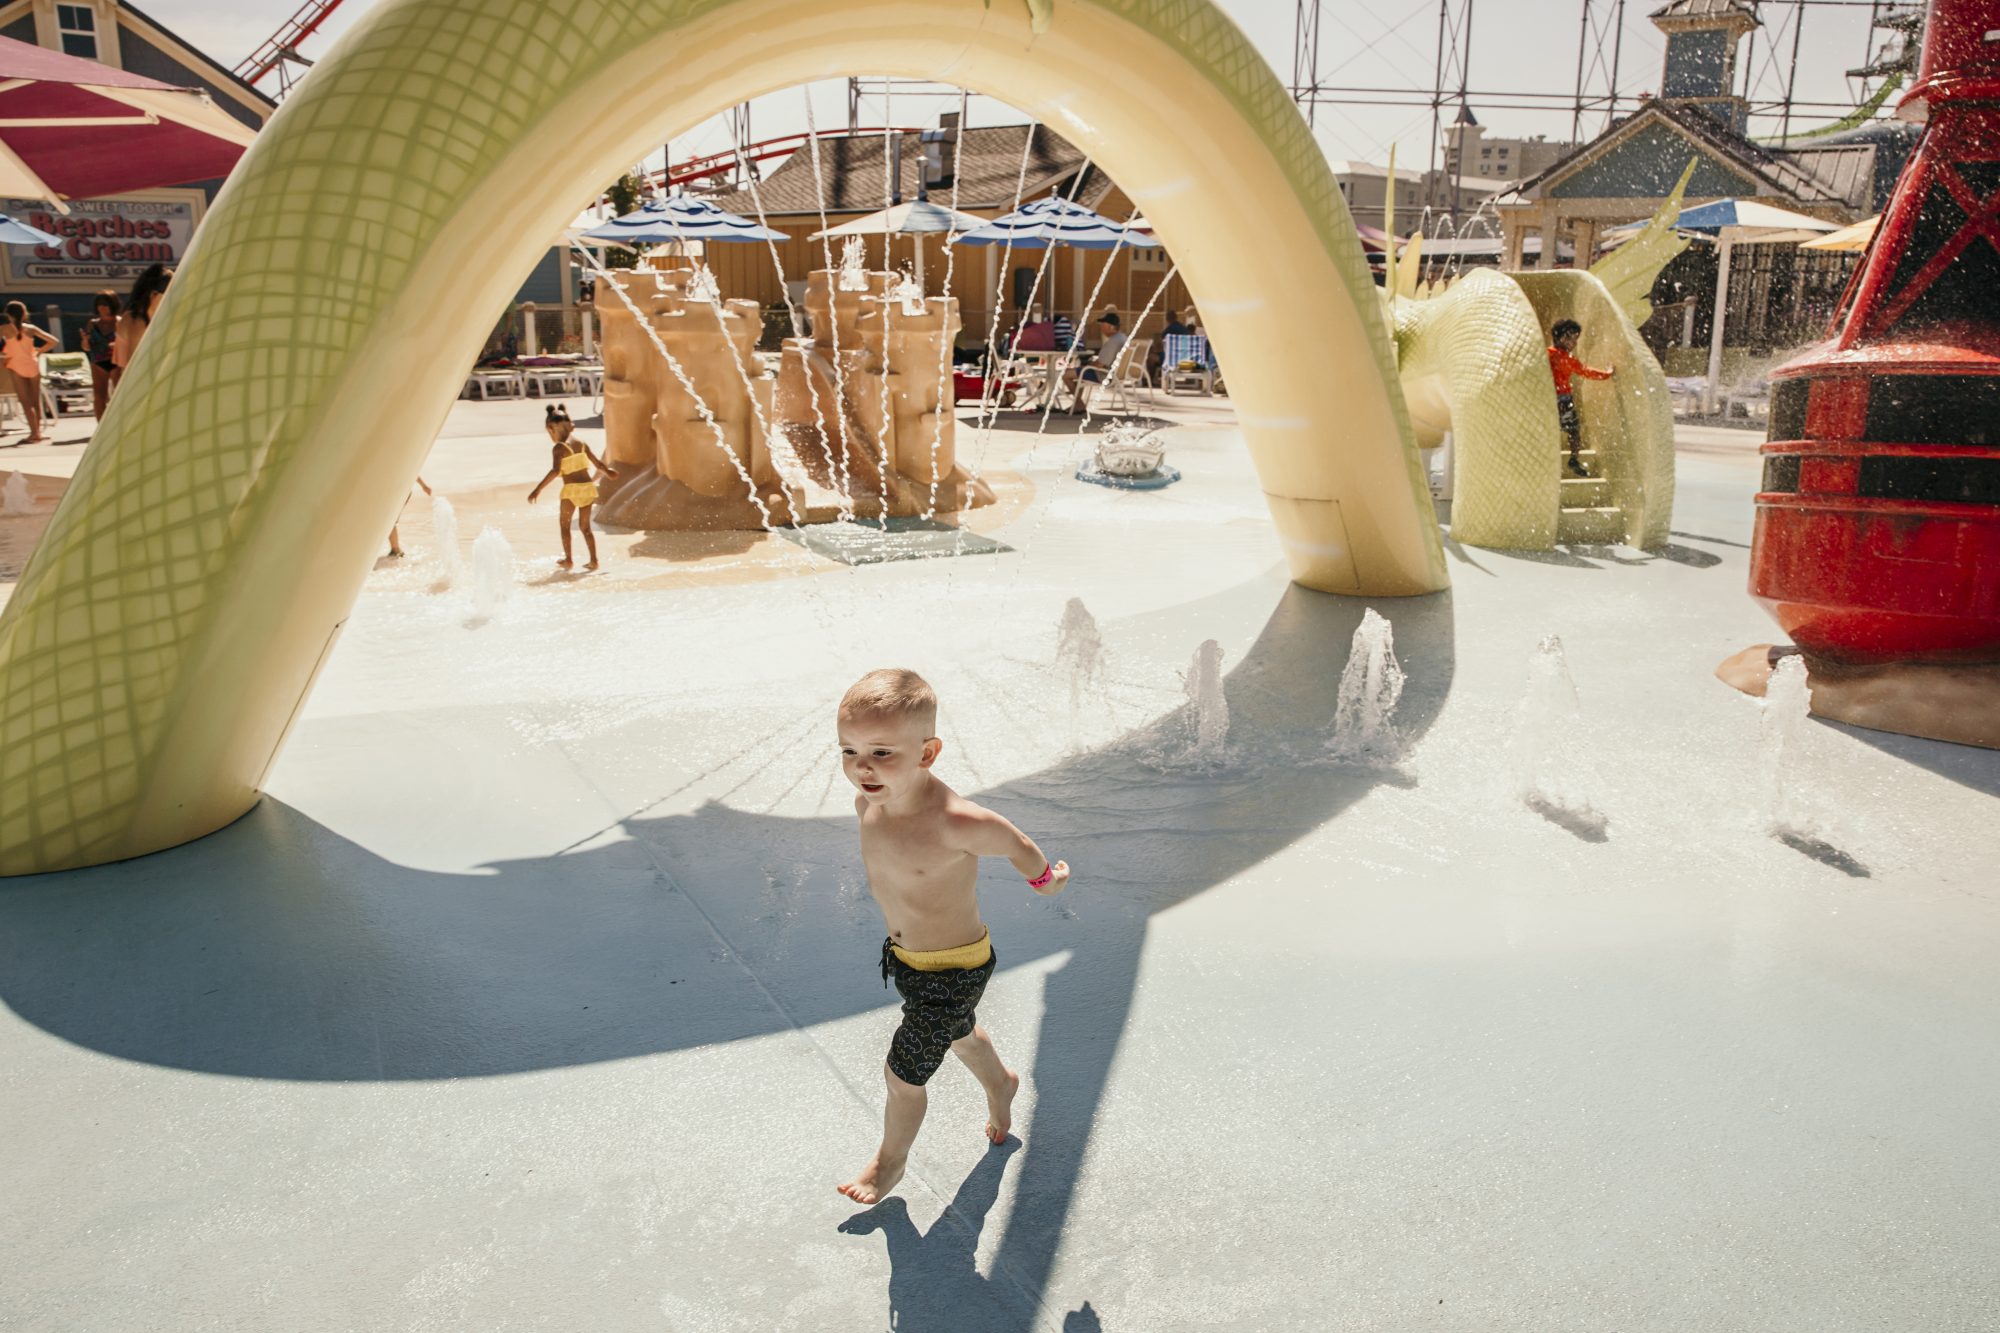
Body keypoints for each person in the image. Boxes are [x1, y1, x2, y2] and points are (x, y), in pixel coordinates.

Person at [835, 669, 1070, 1206]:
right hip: (907, 962)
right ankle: (1003, 1085)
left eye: (881, 752)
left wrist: (1046, 882)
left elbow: (1017, 843)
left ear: (928, 752)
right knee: (959, 1033)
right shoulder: (868, 804)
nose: (862, 766)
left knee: (903, 1073)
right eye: (848, 751)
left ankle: (889, 1163)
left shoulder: (956, 821)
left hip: (954, 969)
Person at [527, 402, 617, 570]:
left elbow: (555, 471)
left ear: (551, 429)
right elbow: (598, 464)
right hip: (588, 489)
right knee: (586, 527)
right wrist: (609, 473)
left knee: (565, 526)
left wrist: (537, 489)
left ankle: (568, 559)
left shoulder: (559, 448)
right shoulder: (582, 444)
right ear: (570, 426)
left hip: (571, 490)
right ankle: (594, 560)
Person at [1547, 318, 1614, 477]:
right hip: (1561, 399)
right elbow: (1586, 371)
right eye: (1573, 339)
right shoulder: (1558, 357)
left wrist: (1605, 374)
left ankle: (1567, 460)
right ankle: (1573, 459)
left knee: (1567, 430)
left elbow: (1585, 371)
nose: (1575, 343)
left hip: (1554, 399)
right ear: (1563, 338)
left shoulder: (1552, 355)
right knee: (1572, 431)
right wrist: (1606, 374)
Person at [2, 301, 60, 444]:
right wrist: (39, 351)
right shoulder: (31, 328)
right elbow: (54, 341)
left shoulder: (3, 329)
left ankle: (34, 433)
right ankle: (38, 432)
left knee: (25, 402)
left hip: (16, 366)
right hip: (32, 365)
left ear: (8, 315)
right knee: (35, 401)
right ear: (24, 314)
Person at [1061, 311, 1127, 413]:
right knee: (1079, 374)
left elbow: (1100, 365)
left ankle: (1079, 404)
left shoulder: (1112, 342)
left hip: (1103, 375)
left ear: (1111, 327)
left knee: (1065, 374)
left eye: (1103, 325)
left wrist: (1087, 365)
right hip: (1114, 374)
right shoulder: (1122, 338)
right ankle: (1078, 405)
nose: (1101, 328)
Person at [114, 263, 173, 377]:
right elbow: (134, 367)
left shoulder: (136, 318)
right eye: (169, 293)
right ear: (154, 295)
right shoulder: (137, 321)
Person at [84, 291, 120, 420]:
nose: (102, 308)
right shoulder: (93, 324)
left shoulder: (120, 323)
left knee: (119, 395)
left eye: (105, 304)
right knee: (99, 396)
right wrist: (85, 340)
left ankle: (120, 423)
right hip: (98, 362)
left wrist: (116, 344)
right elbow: (86, 347)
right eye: (99, 304)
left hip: (117, 361)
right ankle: (100, 428)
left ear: (112, 305)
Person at [386, 476, 433, 559]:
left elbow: (411, 473)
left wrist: (424, 486)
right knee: (389, 520)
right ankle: (395, 549)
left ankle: (396, 550)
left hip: (400, 490)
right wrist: (424, 486)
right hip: (398, 489)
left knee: (390, 520)